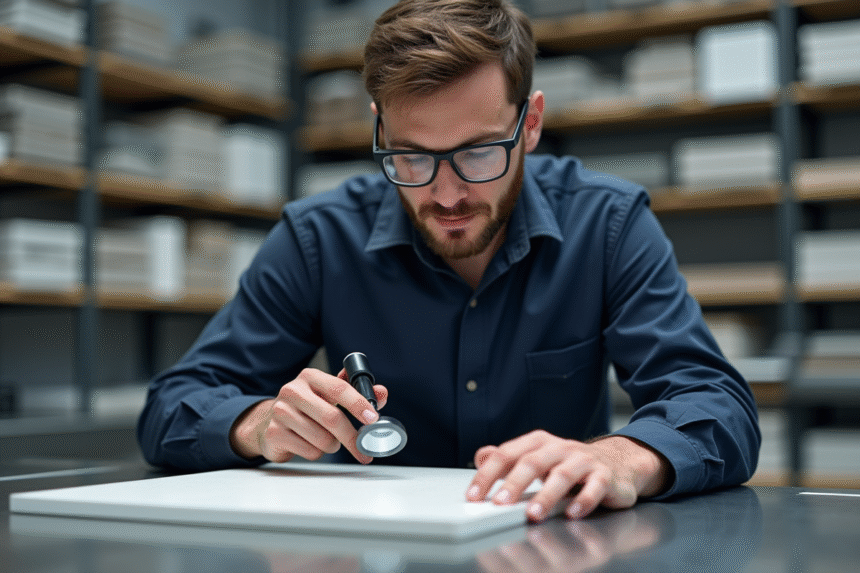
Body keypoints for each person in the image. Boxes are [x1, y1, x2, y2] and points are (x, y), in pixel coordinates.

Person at [138, 0, 761, 522]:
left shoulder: (607, 225)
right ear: (379, 129)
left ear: (531, 123)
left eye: (479, 152)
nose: (447, 194)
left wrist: (619, 458)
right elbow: (172, 406)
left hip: (551, 546)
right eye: (411, 156)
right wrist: (258, 424)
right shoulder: (318, 238)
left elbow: (717, 405)